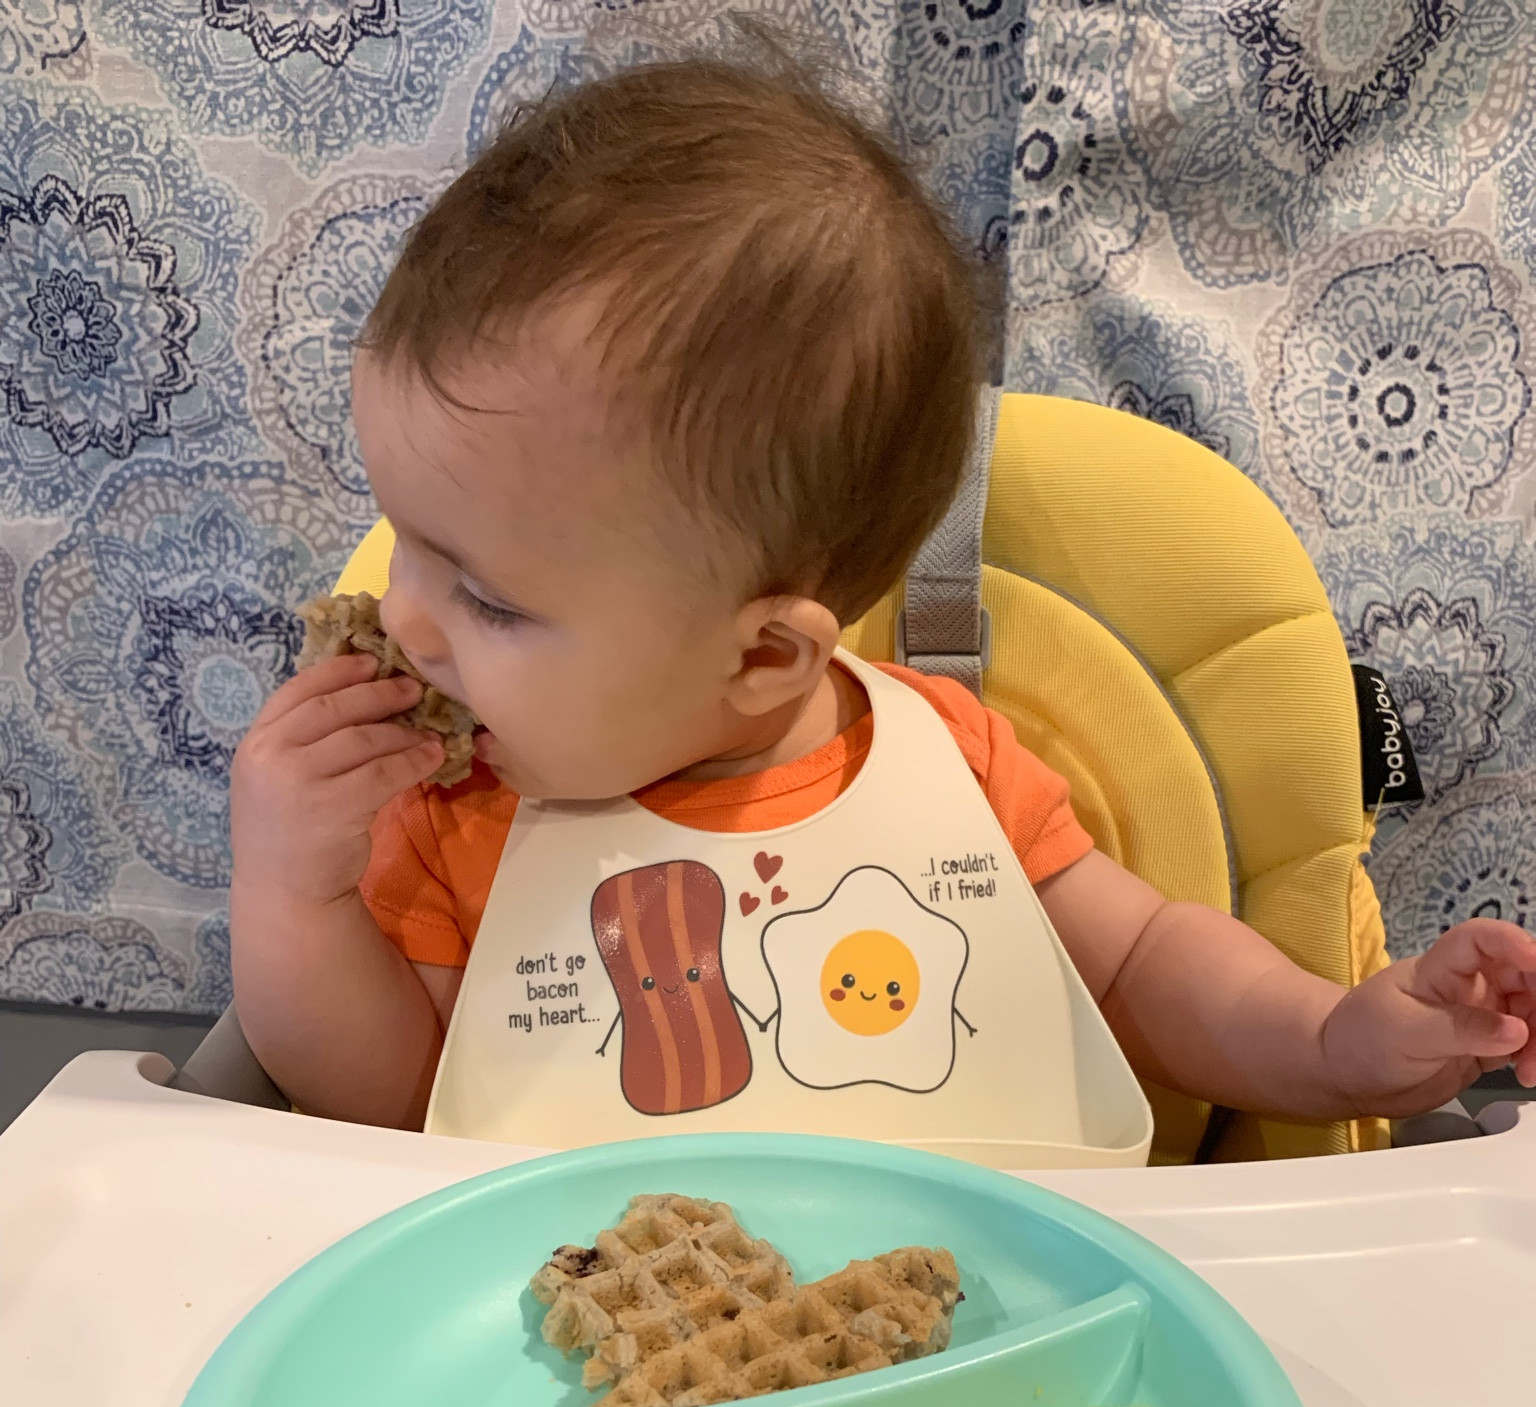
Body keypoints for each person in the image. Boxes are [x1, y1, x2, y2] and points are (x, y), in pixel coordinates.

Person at [230, 53, 1536, 1145]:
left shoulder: (952, 768)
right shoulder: (455, 819)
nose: (404, 619)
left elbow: (1145, 971)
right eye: (406, 546)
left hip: (992, 1318)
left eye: (490, 602)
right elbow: (393, 1108)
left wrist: (1335, 1040)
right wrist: (298, 896)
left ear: (762, 658)